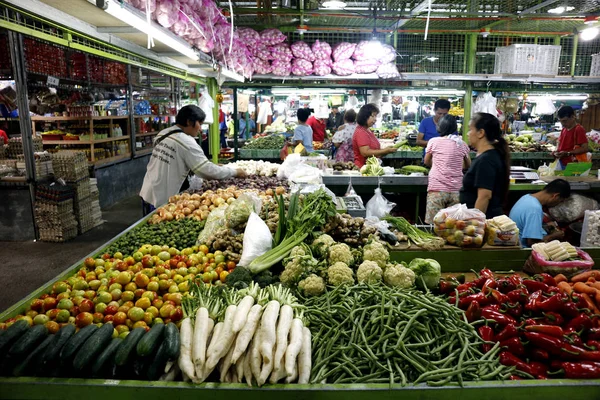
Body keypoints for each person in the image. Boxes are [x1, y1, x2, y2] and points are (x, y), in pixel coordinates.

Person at [140, 105, 245, 214]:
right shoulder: (186, 142)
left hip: (148, 190)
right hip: (162, 199)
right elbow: (207, 171)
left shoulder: (164, 133)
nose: (200, 129)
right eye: (200, 124)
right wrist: (235, 172)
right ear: (190, 122)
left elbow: (175, 160)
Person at [459, 112, 510, 219]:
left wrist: (475, 225)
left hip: (486, 220)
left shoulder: (486, 160)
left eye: (470, 129)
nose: (468, 134)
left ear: (480, 133)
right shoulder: (489, 156)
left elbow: (484, 196)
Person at [423, 115, 471, 224]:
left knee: (433, 224)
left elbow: (426, 161)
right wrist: (456, 166)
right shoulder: (462, 144)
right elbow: (468, 164)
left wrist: (436, 165)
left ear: (439, 127)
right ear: (455, 128)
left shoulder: (433, 141)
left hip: (437, 190)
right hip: (456, 190)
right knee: (453, 227)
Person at [509, 179, 570, 247]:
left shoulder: (527, 197)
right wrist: (554, 236)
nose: (558, 204)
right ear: (555, 196)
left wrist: (544, 226)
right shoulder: (535, 209)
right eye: (560, 201)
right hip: (523, 248)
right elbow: (533, 243)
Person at [352, 103, 397, 168]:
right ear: (365, 116)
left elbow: (374, 150)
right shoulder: (361, 132)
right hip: (364, 168)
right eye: (373, 116)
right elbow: (365, 152)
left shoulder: (367, 130)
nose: (375, 119)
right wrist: (385, 151)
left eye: (375, 116)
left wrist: (385, 151)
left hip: (372, 167)